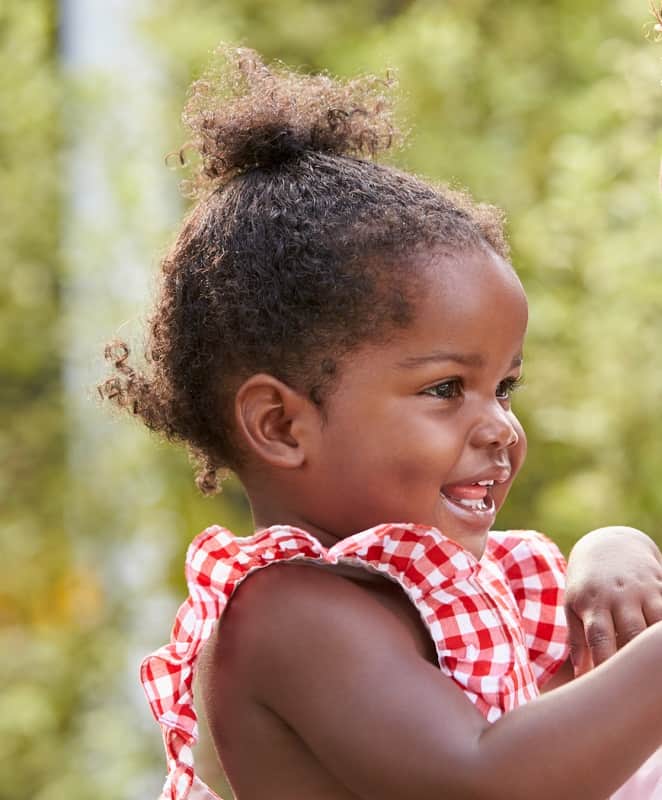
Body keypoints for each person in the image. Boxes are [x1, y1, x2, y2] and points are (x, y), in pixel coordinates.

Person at [101, 47, 662, 800]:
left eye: (505, 387)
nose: (499, 426)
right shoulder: (286, 617)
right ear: (281, 425)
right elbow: (487, 779)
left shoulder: (456, 589)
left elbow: (578, 718)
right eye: (445, 388)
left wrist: (610, 557)